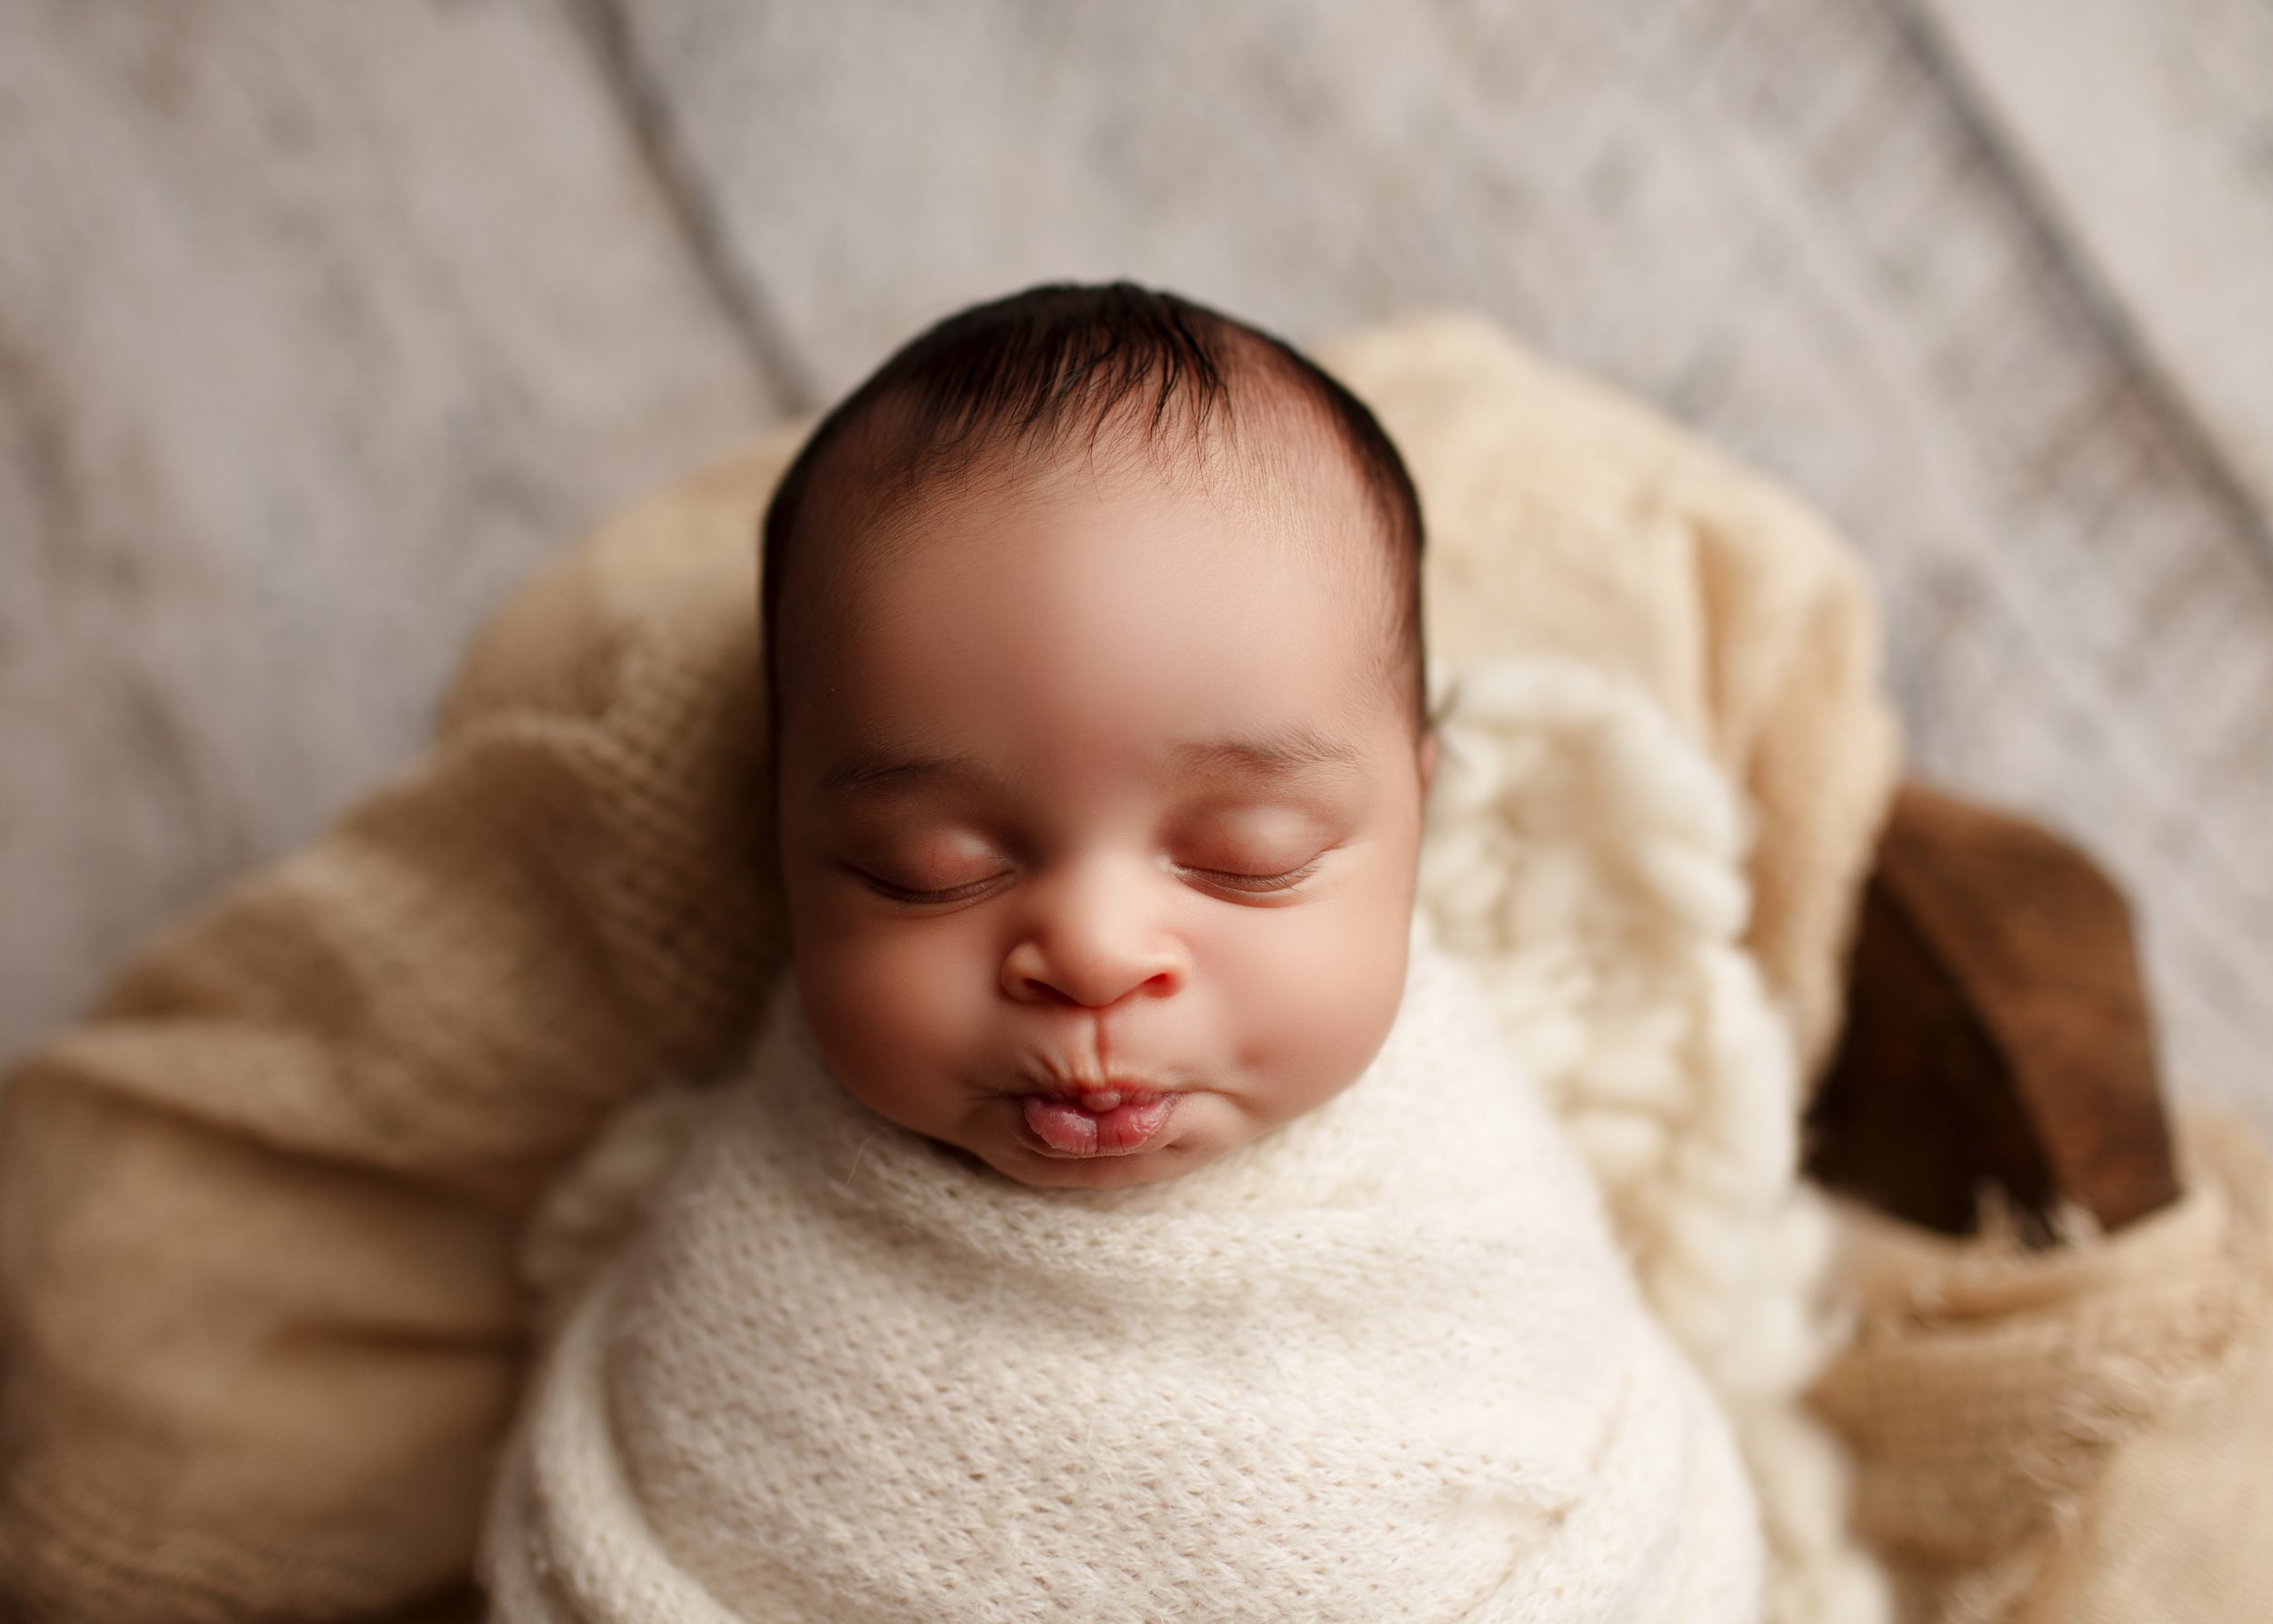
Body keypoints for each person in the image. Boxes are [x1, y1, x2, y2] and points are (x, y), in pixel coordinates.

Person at [476, 284, 1767, 1619]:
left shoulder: (1466, 1185)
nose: (1091, 953)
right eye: (934, 868)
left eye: (1249, 852)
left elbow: (1641, 1538)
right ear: (787, 848)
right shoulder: (758, 1247)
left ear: (1419, 814)